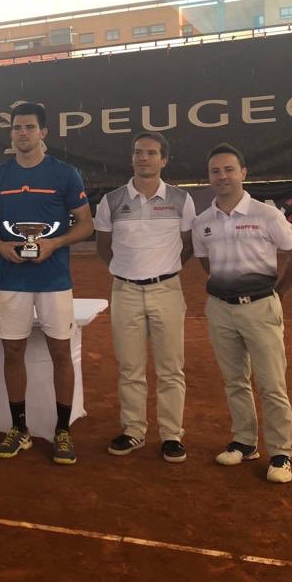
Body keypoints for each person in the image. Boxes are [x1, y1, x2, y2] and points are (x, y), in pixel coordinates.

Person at [0, 101, 94, 465]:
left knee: (60, 353)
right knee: (12, 353)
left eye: (30, 127)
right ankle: (19, 428)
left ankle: (63, 430)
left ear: (43, 133)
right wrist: (1, 245)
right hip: (11, 278)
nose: (22, 134)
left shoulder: (65, 175)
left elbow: (85, 224)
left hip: (54, 279)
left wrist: (54, 244)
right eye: (17, 128)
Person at [193, 143, 292, 484]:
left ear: (243, 173)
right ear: (209, 177)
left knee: (272, 384)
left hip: (261, 308)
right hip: (220, 310)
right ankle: (244, 442)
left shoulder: (266, 214)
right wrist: (226, 288)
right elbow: (205, 263)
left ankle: (281, 454)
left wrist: (280, 292)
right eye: (215, 171)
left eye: (229, 169)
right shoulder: (202, 222)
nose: (222, 176)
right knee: (234, 381)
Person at [94, 133, 196, 462]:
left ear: (163, 160)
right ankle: (134, 431)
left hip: (167, 290)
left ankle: (171, 435)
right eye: (138, 152)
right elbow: (103, 247)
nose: (143, 158)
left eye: (151, 153)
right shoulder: (111, 201)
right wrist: (126, 271)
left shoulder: (182, 200)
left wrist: (164, 271)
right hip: (124, 291)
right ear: (132, 157)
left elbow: (189, 245)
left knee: (170, 369)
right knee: (129, 368)